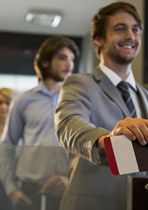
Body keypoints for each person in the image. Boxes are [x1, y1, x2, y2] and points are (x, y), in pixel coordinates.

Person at [55, 2, 148, 210]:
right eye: (120, 29)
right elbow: (68, 125)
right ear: (99, 39)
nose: (131, 36)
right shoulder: (79, 83)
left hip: (138, 202)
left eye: (135, 29)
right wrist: (108, 140)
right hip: (90, 204)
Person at [0, 36, 80, 210]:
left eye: (72, 59)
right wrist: (11, 190)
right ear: (45, 62)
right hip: (30, 196)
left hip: (69, 192)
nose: (69, 64)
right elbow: (7, 146)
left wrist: (70, 178)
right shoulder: (23, 101)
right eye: (62, 58)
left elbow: (85, 148)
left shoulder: (78, 102)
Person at [0, 88, 16, 210]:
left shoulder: (21, 132)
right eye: (0, 103)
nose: (3, 107)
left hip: (16, 186)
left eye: (8, 103)